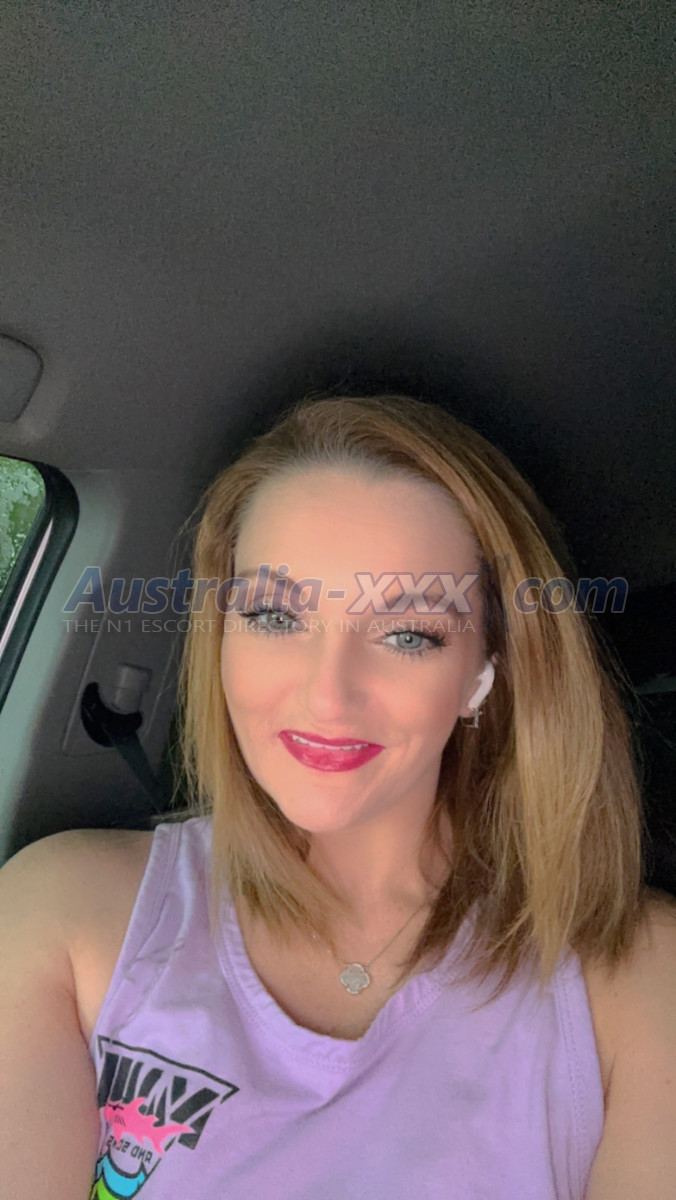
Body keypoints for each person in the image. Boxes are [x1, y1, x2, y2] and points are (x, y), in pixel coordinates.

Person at [1, 393, 675, 1199]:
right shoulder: (62, 914)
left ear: (484, 673)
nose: (328, 695)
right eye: (274, 615)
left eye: (407, 633)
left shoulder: (637, 979)